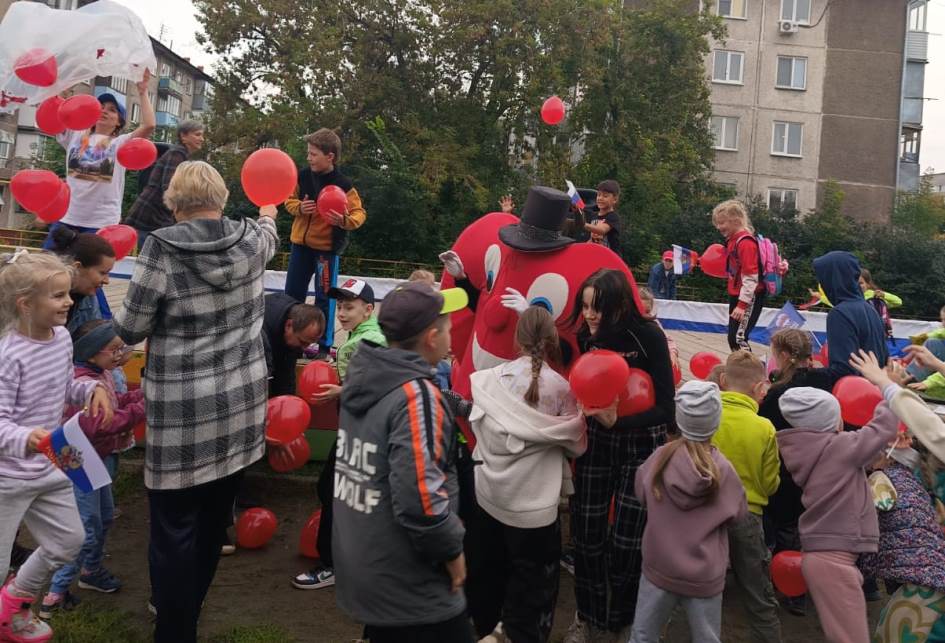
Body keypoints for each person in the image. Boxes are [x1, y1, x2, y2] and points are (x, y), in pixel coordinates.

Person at [113, 161, 278, 643]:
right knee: (211, 525)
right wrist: (269, 209)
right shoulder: (252, 241)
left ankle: (174, 626)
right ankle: (190, 608)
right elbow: (269, 230)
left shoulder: (160, 248)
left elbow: (132, 328)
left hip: (182, 416)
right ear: (222, 197)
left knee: (172, 530)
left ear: (174, 202)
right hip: (240, 412)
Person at [332, 281, 472, 643]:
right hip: (411, 578)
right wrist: (451, 548)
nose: (451, 333)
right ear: (430, 337)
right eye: (447, 327)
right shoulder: (416, 396)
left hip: (367, 562)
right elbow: (419, 498)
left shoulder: (363, 378)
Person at [0, 250, 112, 643]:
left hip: (50, 466)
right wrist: (24, 437)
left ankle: (12, 603)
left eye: (68, 293)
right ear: (25, 304)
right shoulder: (8, 355)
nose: (69, 302)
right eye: (58, 296)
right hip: (7, 478)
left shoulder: (62, 338)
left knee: (69, 541)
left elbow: (65, 385)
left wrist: (90, 388)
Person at [564, 269, 676, 642]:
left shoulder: (647, 336)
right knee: (587, 533)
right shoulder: (585, 336)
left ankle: (623, 618)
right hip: (596, 441)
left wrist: (620, 422)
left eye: (598, 307)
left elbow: (666, 409)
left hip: (640, 444)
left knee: (628, 540)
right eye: (585, 306)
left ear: (619, 305)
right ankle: (588, 616)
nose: (590, 315)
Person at [465, 307, 587, 643]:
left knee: (488, 573)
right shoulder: (562, 389)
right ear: (551, 341)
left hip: (489, 496)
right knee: (533, 585)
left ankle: (485, 630)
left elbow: (478, 426)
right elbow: (575, 445)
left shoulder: (490, 382)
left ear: (518, 338)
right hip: (535, 507)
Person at [776, 350, 902, 643]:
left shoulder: (807, 449)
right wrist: (889, 389)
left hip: (827, 556)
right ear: (832, 423)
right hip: (833, 559)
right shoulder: (839, 447)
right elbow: (881, 429)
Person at [629, 381, 747, 643]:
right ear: (715, 423)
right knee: (707, 638)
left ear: (679, 419)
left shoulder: (659, 458)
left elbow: (641, 493)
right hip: (704, 576)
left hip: (659, 567)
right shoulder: (723, 469)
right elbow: (738, 515)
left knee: (642, 635)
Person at [41, 320, 144, 617]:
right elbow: (100, 425)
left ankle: (91, 571)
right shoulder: (83, 383)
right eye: (113, 349)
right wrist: (141, 408)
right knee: (85, 527)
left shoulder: (104, 375)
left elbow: (116, 402)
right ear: (90, 352)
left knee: (105, 518)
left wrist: (138, 396)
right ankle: (54, 594)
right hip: (80, 463)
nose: (119, 354)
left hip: (96, 460)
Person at [291, 278, 386, 592]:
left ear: (368, 309)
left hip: (363, 429)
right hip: (357, 427)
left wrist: (342, 389)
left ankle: (333, 565)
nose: (342, 313)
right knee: (337, 491)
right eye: (340, 307)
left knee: (334, 491)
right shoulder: (361, 335)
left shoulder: (368, 340)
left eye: (350, 307)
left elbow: (384, 381)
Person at [757, 328, 834, 615]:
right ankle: (805, 589)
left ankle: (790, 587)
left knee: (786, 528)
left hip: (789, 467)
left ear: (786, 356)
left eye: (776, 354)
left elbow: (767, 428)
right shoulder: (825, 379)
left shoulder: (779, 393)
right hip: (823, 465)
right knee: (810, 530)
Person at [713, 352, 783, 642]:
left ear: (722, 381)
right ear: (759, 389)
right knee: (758, 593)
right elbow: (770, 484)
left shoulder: (708, 416)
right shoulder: (764, 427)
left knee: (694, 589)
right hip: (747, 514)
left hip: (703, 514)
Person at [282, 129, 367, 354]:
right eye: (308, 153)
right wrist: (299, 207)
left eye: (313, 154)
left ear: (330, 157)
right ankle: (291, 342)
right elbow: (288, 200)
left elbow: (359, 214)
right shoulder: (301, 176)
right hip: (300, 247)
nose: (308, 158)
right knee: (292, 295)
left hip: (325, 252)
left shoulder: (344, 184)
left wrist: (344, 221)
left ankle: (324, 346)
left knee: (325, 299)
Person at [43, 75, 156, 244]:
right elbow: (55, 112)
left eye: (111, 109)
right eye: (101, 106)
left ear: (119, 122)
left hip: (100, 222)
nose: (103, 110)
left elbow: (149, 125)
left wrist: (142, 91)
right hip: (67, 217)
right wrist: (59, 90)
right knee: (50, 266)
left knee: (91, 269)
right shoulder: (75, 135)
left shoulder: (121, 144)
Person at [125, 120, 205, 250]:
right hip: (150, 217)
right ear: (183, 136)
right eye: (197, 134)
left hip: (155, 216)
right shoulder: (177, 154)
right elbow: (169, 187)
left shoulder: (181, 155)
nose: (201, 139)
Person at [813, 251, 889, 379]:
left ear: (832, 279)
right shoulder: (871, 310)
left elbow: (844, 370)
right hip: (878, 389)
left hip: (854, 393)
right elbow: (884, 358)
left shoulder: (840, 313)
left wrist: (805, 374)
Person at [711, 200, 764, 352]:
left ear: (736, 220)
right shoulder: (732, 241)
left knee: (738, 338)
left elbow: (751, 275)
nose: (719, 227)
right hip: (737, 294)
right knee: (733, 338)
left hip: (749, 296)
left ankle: (752, 372)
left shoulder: (745, 243)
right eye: (717, 223)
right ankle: (741, 371)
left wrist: (742, 305)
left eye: (722, 222)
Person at [261, 294, 325, 397]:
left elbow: (287, 376)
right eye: (303, 342)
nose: (305, 348)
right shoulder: (261, 326)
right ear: (288, 325)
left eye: (309, 344)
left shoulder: (295, 330)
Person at [638, 287, 680, 381]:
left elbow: (667, 339)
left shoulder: (654, 323)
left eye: (647, 312)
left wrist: (672, 353)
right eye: (640, 311)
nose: (644, 316)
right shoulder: (624, 323)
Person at [857, 268, 901, 342]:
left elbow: (898, 302)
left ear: (868, 284)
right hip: (859, 333)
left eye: (861, 283)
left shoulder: (875, 296)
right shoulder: (848, 297)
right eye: (854, 283)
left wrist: (883, 295)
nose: (858, 286)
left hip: (877, 333)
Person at [584, 180, 621, 254]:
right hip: (596, 255)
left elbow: (601, 230)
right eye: (599, 195)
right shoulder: (594, 216)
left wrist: (583, 224)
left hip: (610, 260)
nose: (600, 198)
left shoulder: (613, 217)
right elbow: (592, 240)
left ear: (615, 199)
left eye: (605, 196)